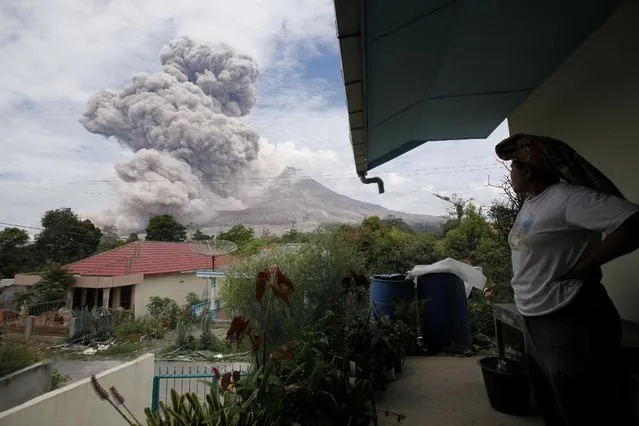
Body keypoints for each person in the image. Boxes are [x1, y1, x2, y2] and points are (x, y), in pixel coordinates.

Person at [495, 133, 639, 426]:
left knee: (582, 407)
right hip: (534, 316)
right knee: (550, 402)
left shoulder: (568, 199)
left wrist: (588, 265)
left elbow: (633, 222)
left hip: (569, 317)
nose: (510, 173)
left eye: (512, 167)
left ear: (528, 171)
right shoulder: (535, 202)